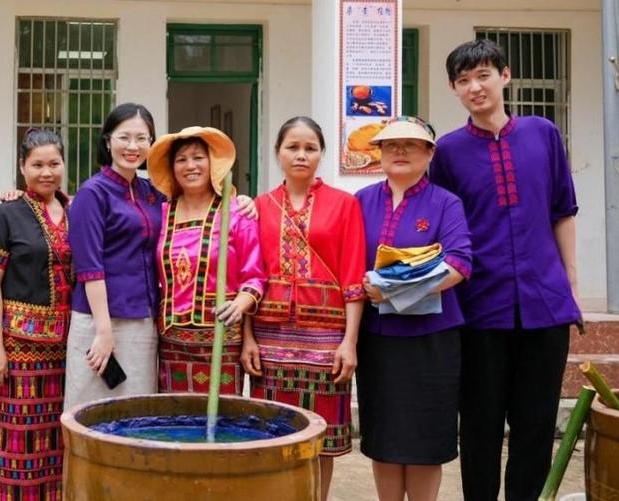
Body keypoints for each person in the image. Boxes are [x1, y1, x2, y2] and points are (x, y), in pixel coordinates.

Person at [429, 39, 581, 501]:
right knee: (479, 424)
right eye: (464, 80)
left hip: (545, 304)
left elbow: (563, 210)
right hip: (479, 309)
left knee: (535, 425)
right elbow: (444, 227)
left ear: (505, 76)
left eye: (483, 75)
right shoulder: (448, 153)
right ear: (454, 90)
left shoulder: (543, 133)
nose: (475, 87)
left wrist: (570, 283)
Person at [241, 116, 365, 501]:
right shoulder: (259, 206)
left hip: (326, 339)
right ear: (277, 152)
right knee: (272, 432)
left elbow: (354, 275)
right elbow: (250, 275)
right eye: (292, 147)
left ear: (321, 154)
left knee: (320, 437)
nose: (301, 155)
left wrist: (349, 342)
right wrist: (247, 339)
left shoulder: (344, 205)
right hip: (270, 337)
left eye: (310, 148)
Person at [355, 117, 472, 501]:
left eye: (410, 145)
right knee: (384, 436)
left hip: (431, 342)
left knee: (424, 441)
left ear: (429, 153)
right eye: (391, 145)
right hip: (378, 341)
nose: (400, 152)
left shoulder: (446, 203)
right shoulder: (361, 201)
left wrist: (392, 291)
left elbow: (458, 265)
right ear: (380, 154)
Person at [0, 129, 71, 500]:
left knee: (62, 441)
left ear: (64, 164)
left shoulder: (77, 208)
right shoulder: (6, 215)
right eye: (37, 165)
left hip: (69, 349)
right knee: (20, 444)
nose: (46, 172)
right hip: (21, 350)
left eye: (54, 163)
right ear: (22, 167)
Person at [148, 126, 265, 394]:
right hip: (171, 342)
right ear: (172, 168)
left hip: (223, 339)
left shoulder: (236, 212)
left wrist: (239, 304)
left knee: (222, 424)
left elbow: (255, 277)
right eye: (181, 159)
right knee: (176, 422)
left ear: (213, 163)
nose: (190, 165)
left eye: (198, 157)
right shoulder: (161, 213)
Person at [64, 103, 164, 410]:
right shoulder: (92, 193)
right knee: (90, 417)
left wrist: (238, 199)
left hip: (142, 320)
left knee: (137, 415)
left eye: (142, 138)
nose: (132, 146)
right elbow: (89, 268)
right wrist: (104, 332)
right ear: (108, 142)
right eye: (124, 137)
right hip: (99, 322)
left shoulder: (151, 192)